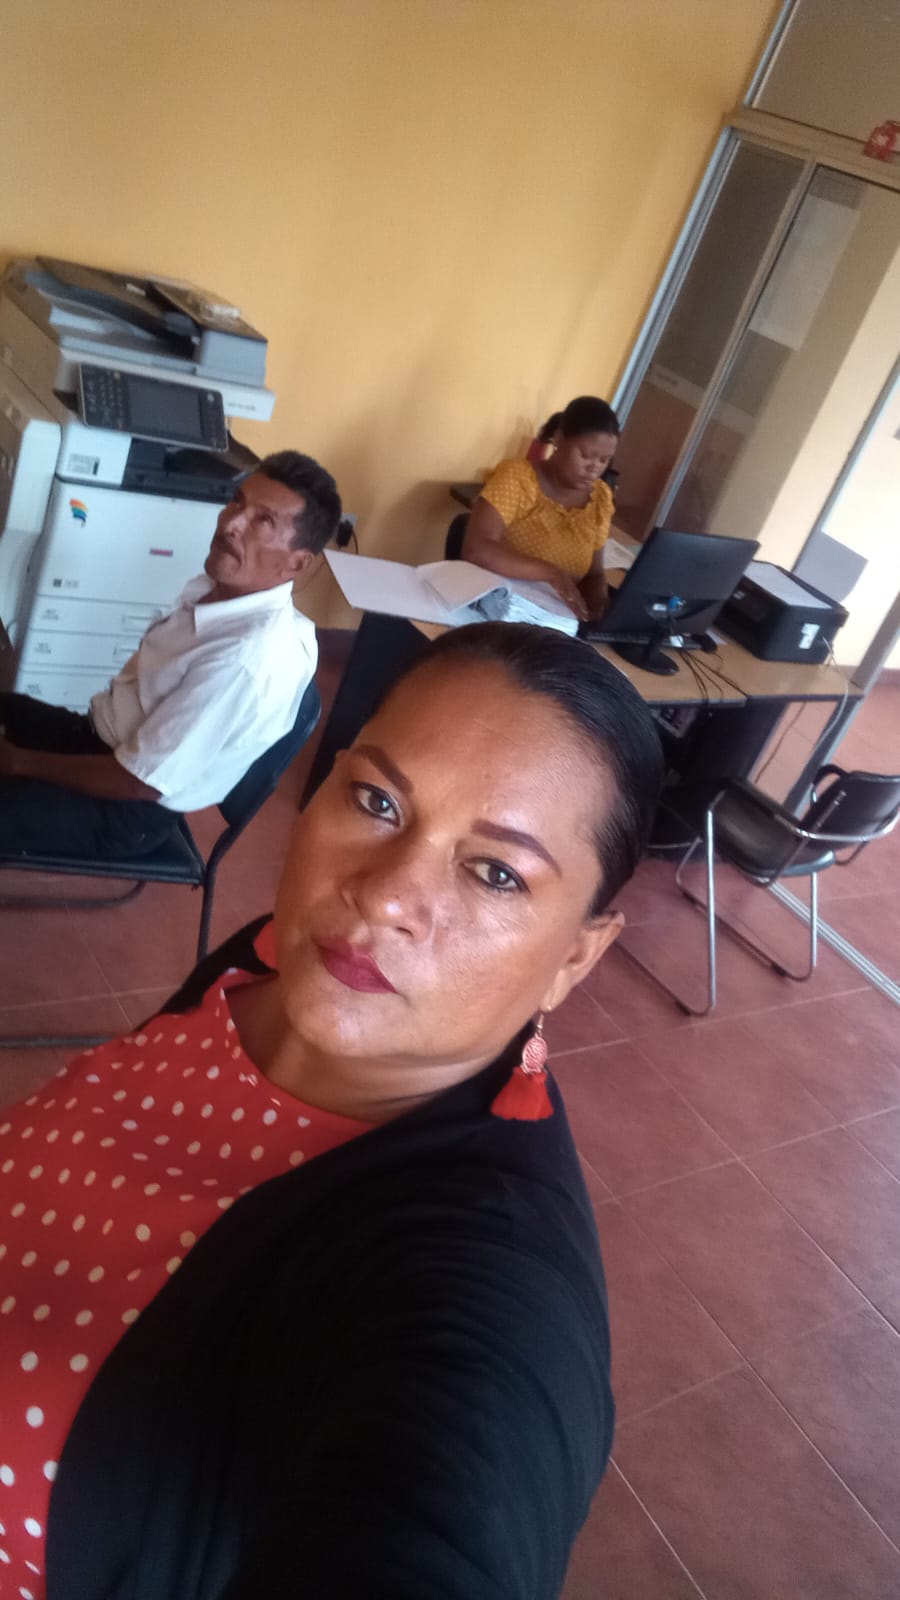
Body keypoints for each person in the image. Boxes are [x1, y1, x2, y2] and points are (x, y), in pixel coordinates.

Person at [0, 622, 663, 1600]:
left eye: (495, 872)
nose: (382, 895)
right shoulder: (279, 957)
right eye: (377, 801)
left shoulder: (483, 1281)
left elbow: (446, 1504)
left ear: (576, 955)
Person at [0, 450, 342, 861]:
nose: (231, 523)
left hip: (124, 806)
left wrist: (17, 763)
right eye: (237, 502)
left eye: (262, 521)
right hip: (100, 739)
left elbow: (140, 781)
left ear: (297, 564)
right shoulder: (220, 588)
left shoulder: (245, 659)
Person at [462, 396, 620, 623]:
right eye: (585, 455)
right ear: (559, 438)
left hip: (554, 620)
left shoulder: (601, 498)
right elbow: (477, 549)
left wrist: (599, 607)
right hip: (496, 612)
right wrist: (551, 573)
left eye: (604, 460)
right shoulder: (519, 478)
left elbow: (594, 574)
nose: (593, 468)